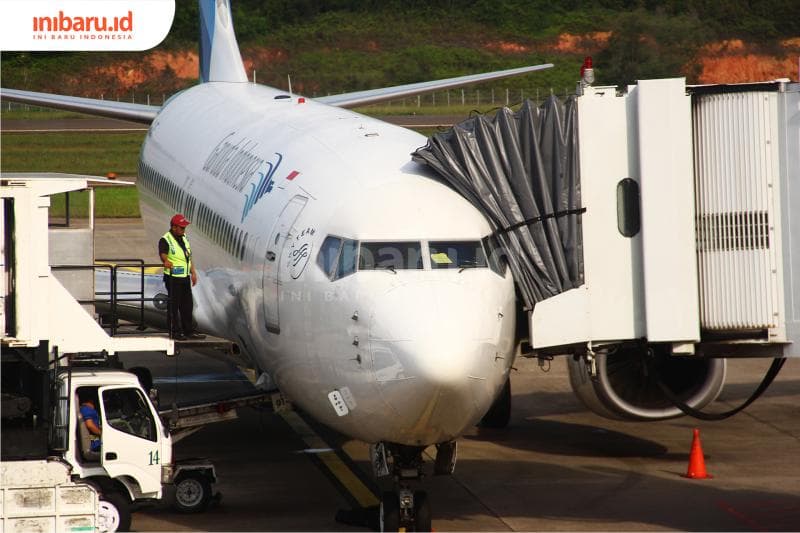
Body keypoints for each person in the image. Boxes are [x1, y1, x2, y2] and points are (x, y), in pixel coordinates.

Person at [159, 213, 205, 341]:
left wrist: (193, 272)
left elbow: (188, 257)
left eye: (184, 227)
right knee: (174, 306)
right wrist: (166, 261)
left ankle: (188, 331)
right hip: (173, 278)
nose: (184, 229)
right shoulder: (166, 239)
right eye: (182, 227)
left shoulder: (184, 238)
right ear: (174, 227)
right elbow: (163, 253)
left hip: (184, 277)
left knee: (187, 305)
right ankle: (174, 332)